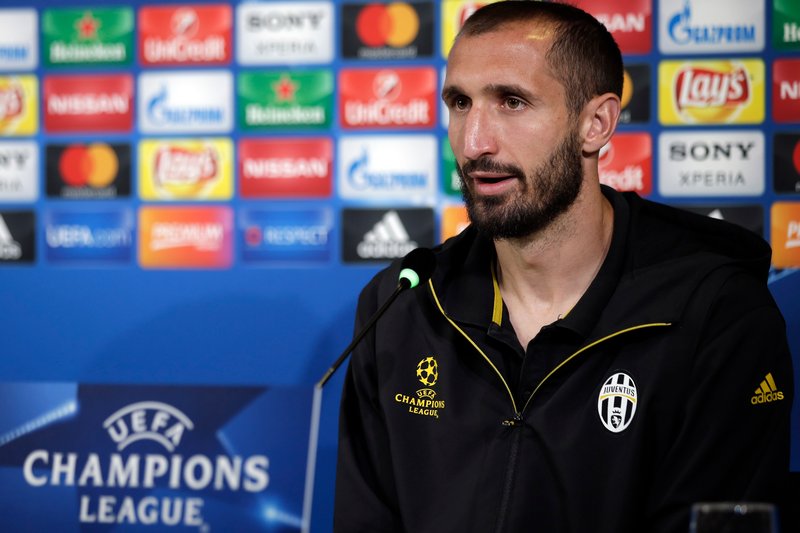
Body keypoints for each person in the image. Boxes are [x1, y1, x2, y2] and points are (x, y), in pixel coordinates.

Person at [334, 2, 794, 532]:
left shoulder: (714, 314)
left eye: (512, 102)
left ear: (596, 124)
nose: (474, 141)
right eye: (460, 102)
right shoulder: (402, 305)